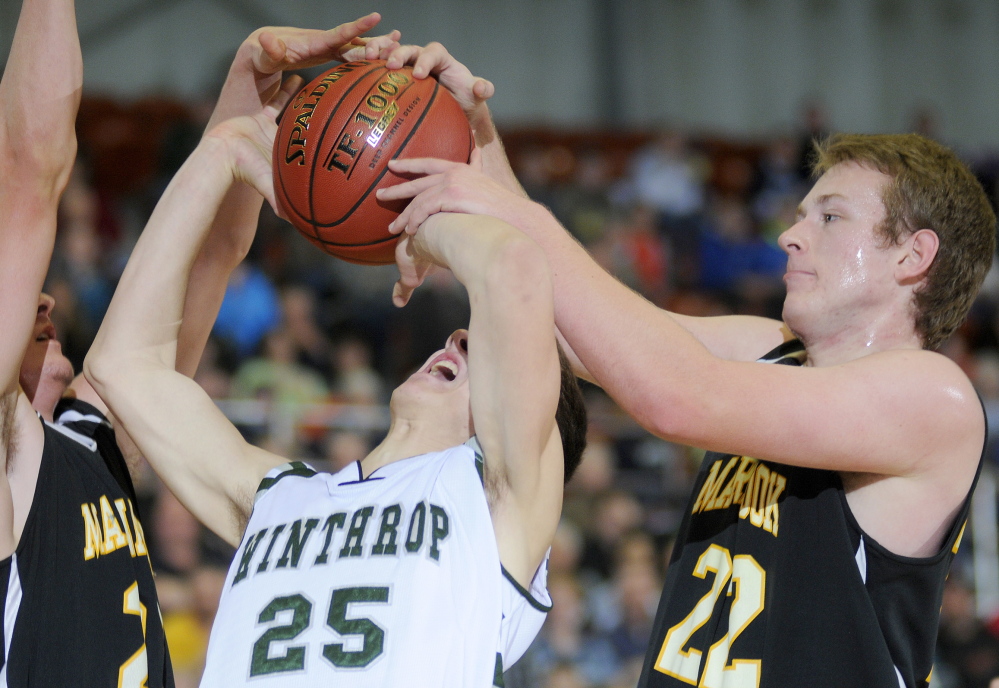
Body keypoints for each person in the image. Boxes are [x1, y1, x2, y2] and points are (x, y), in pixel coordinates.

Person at [375, 42, 996, 688]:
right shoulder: (773, 351)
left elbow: (673, 396)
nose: (790, 235)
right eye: (799, 215)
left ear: (911, 256)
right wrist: (476, 145)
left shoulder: (932, 397)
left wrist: (515, 215)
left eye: (829, 216)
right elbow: (588, 335)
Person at [82, 58, 587, 688]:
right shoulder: (281, 498)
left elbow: (514, 271)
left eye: (493, 348)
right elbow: (121, 365)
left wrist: (420, 222)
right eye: (468, 334)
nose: (463, 336)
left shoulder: (496, 507)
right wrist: (222, 153)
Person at [0, 6, 398, 684]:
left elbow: (209, 253)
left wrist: (249, 87)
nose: (43, 299)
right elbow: (28, 174)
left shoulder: (92, 441)